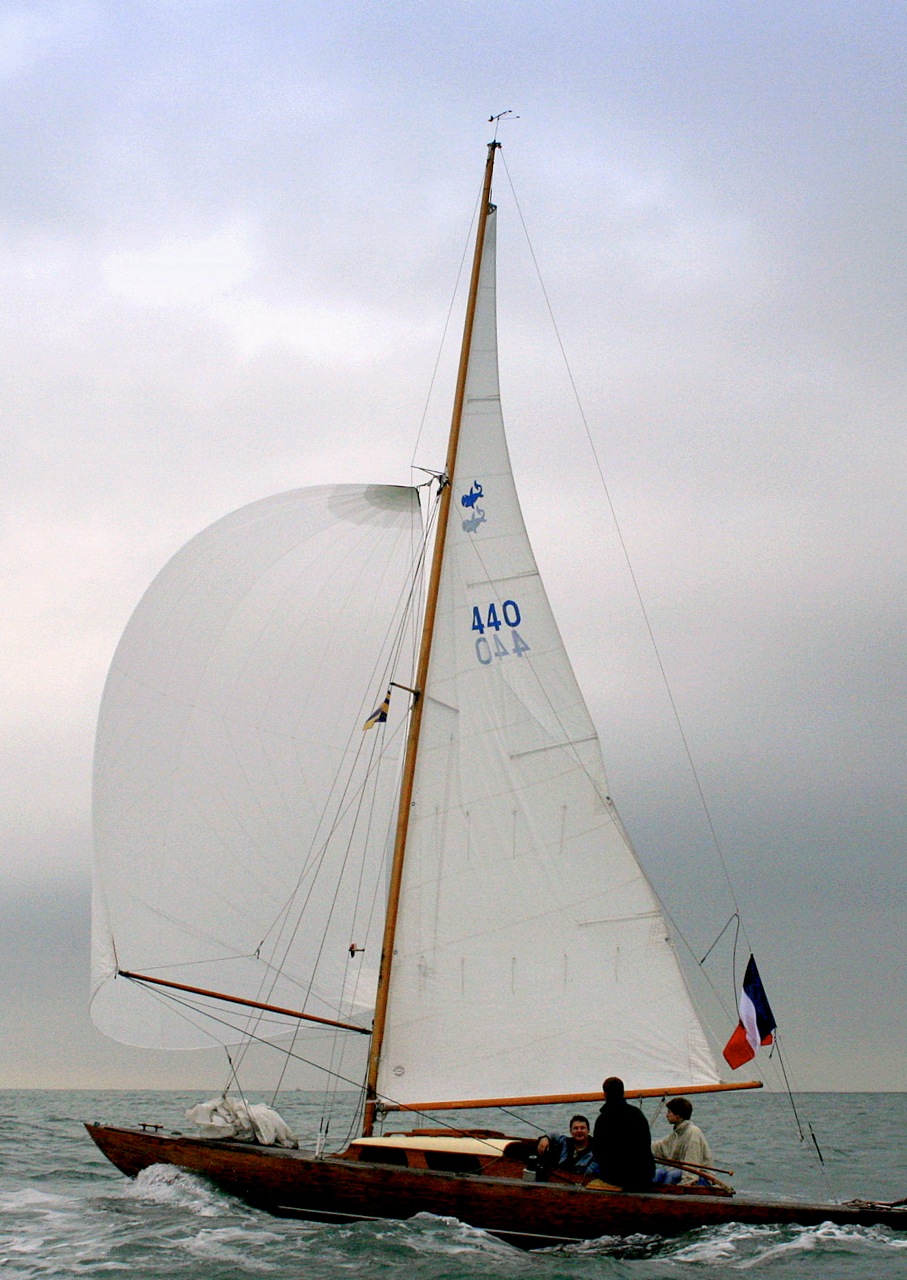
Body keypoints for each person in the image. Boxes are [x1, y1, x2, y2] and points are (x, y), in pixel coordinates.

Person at [591, 1077, 655, 1190]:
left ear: (605, 1094)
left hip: (617, 1178)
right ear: (623, 1092)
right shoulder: (637, 1114)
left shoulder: (603, 1119)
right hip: (644, 1175)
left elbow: (598, 1152)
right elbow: (646, 1142)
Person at [651, 1097, 713, 1186]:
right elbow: (660, 1147)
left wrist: (687, 1184)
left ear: (678, 1115)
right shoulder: (677, 1133)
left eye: (669, 1112)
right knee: (657, 1173)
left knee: (671, 1175)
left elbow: (692, 1164)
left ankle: (667, 1194)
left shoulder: (692, 1133)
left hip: (701, 1177)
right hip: (679, 1171)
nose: (666, 1115)